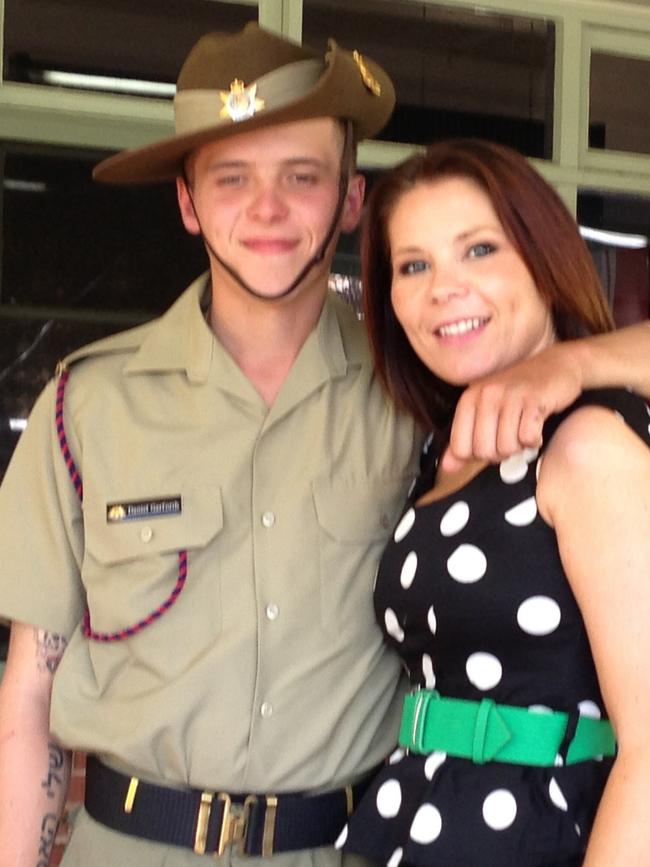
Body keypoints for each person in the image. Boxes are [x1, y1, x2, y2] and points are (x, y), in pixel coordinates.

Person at [0, 23, 648, 867]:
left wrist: (576, 359)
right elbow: (29, 692)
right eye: (231, 178)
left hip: (342, 847)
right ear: (188, 202)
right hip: (127, 845)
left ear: (348, 199)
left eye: (301, 176)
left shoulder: (426, 396)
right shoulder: (82, 408)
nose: (266, 209)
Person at [339, 139, 650, 867]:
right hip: (413, 828)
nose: (444, 287)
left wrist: (571, 363)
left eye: (479, 250)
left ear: (544, 264)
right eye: (414, 265)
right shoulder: (443, 450)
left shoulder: (588, 447)